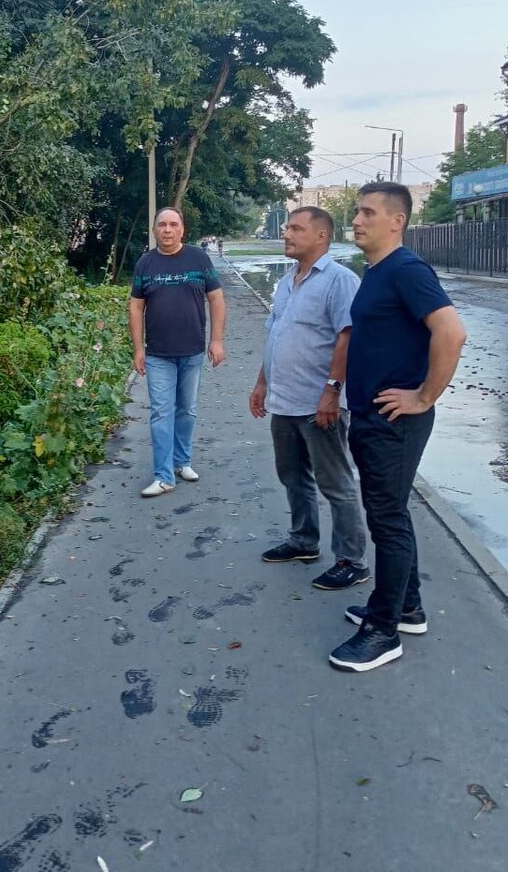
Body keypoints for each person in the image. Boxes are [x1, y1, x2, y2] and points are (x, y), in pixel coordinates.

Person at [329, 182, 466, 673]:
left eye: (367, 213)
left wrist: (424, 396)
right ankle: (407, 608)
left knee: (387, 519)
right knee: (387, 511)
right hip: (372, 415)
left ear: (397, 221)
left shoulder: (407, 270)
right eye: (356, 212)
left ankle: (383, 631)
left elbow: (451, 331)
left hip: (395, 421)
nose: (357, 221)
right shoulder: (378, 272)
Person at [248, 207, 369, 590]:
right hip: (284, 401)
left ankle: (352, 559)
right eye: (287, 227)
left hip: (319, 403)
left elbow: (348, 337)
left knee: (336, 482)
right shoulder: (287, 281)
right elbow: (276, 336)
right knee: (292, 476)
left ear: (321, 236)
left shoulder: (339, 281)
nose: (287, 233)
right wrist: (262, 384)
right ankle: (303, 541)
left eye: (296, 228)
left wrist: (332, 392)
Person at [129, 207, 226, 497]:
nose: (167, 230)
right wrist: (137, 348)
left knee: (186, 409)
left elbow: (217, 298)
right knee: (161, 412)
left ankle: (182, 461)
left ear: (182, 230)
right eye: (162, 225)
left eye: (173, 224)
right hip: (158, 354)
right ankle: (164, 475)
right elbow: (135, 306)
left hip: (193, 350)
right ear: (155, 230)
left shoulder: (198, 258)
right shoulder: (145, 264)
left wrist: (217, 340)